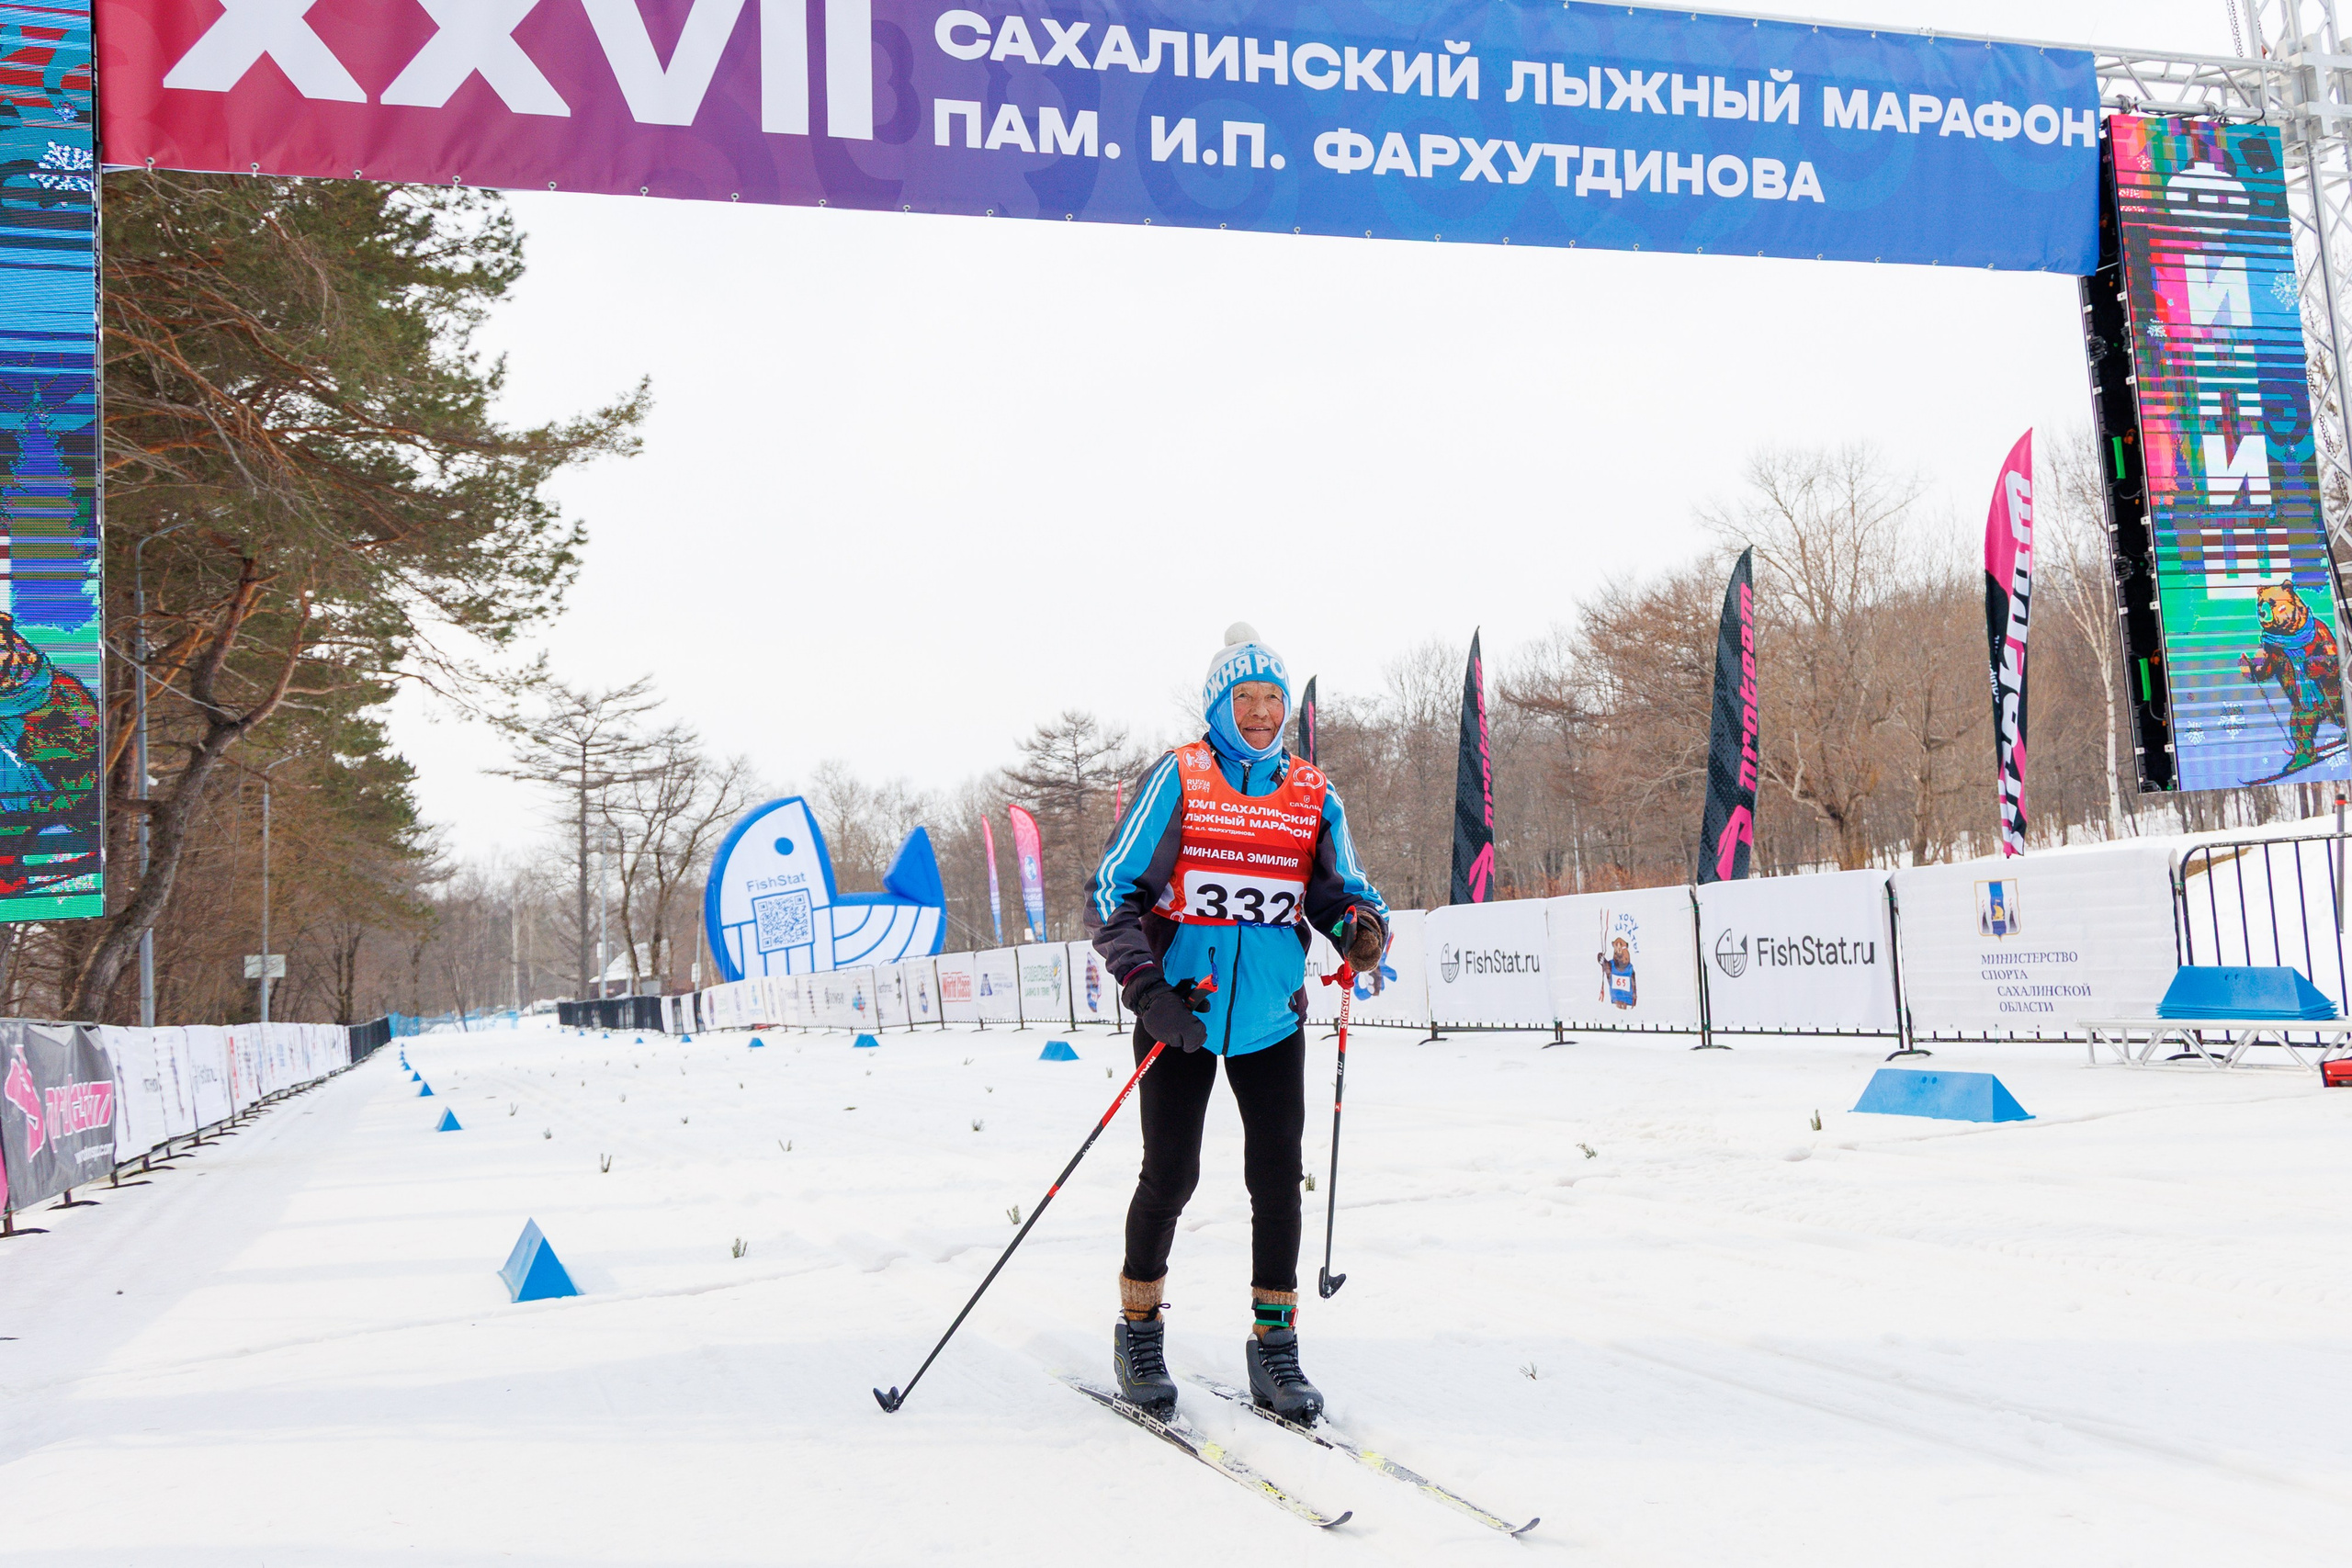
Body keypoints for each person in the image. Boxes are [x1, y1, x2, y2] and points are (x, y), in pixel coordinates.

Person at [1087, 623, 1389, 1422]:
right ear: (1218, 703)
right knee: (1171, 1173)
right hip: (1180, 1012)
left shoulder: (1312, 793)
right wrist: (1146, 986)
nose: (1259, 712)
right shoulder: (1180, 777)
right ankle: (1140, 1327)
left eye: (1271, 699)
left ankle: (1276, 1343)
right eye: (1244, 698)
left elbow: (1344, 892)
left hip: (1268, 1017)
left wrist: (1362, 931)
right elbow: (1113, 892)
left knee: (1276, 1179)